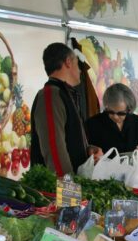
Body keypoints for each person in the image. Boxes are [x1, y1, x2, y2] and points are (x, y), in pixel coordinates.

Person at [31, 43, 101, 175]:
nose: (80, 70)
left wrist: (87, 149)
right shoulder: (50, 95)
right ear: (68, 62)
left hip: (70, 186)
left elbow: (67, 140)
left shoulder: (65, 94)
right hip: (54, 190)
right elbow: (54, 149)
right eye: (77, 63)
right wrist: (68, 191)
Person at [85, 83, 138, 153]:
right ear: (106, 106)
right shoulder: (92, 124)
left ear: (129, 109)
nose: (115, 117)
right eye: (111, 112)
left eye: (121, 113)